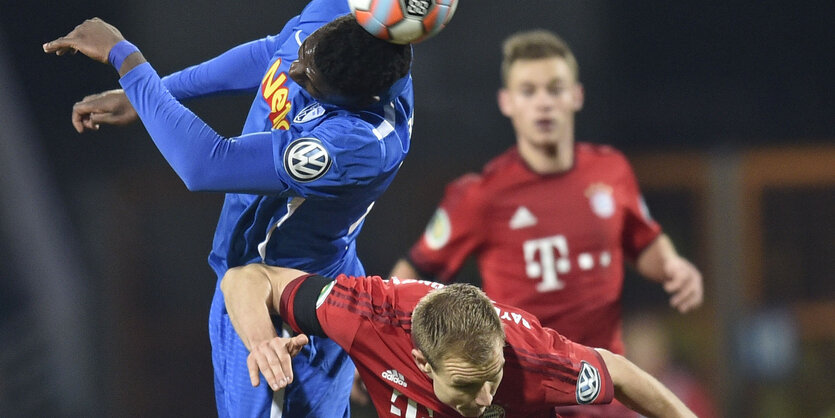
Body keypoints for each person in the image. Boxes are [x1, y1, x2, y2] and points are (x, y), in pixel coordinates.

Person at [43, 1, 414, 416]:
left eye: (308, 78)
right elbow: (271, 52)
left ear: (348, 100)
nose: (293, 71)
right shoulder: (341, 21)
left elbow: (206, 164)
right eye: (303, 52)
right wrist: (150, 93)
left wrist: (127, 59)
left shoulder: (357, 144)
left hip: (289, 312)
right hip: (242, 281)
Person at [389, 29, 704, 416]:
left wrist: (672, 264)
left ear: (576, 95)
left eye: (555, 89)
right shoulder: (481, 194)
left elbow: (643, 240)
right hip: (527, 388)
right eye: (529, 91)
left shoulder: (611, 169)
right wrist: (400, 345)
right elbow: (415, 271)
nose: (543, 103)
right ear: (507, 102)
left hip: (601, 383)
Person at [220, 263, 698, 418]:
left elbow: (621, 370)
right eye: (468, 386)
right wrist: (262, 340)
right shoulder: (369, 316)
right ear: (421, 363)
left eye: (492, 378)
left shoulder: (535, 361)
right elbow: (245, 278)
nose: (487, 398)